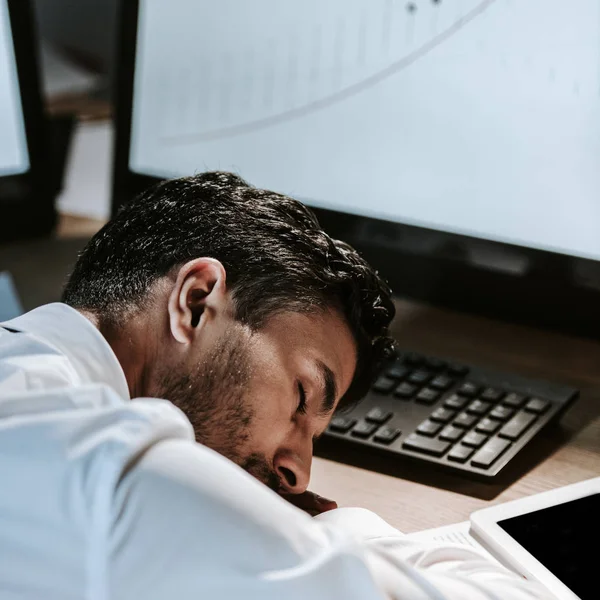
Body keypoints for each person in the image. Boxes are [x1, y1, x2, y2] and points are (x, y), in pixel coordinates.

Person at [0, 172, 548, 599]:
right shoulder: (112, 474)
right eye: (303, 397)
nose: (298, 472)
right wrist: (339, 527)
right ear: (195, 302)